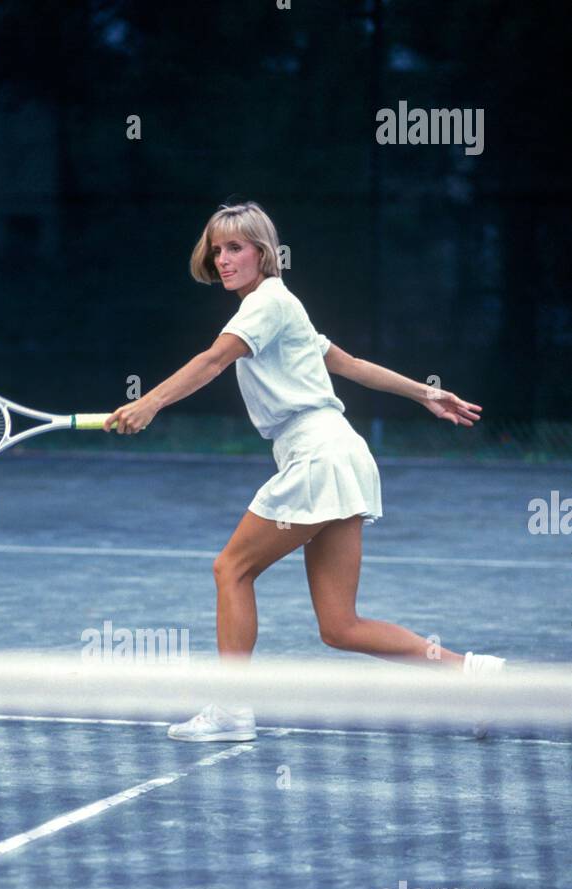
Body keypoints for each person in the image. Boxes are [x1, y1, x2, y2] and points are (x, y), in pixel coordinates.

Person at [104, 201, 504, 742]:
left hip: (318, 455)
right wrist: (427, 392)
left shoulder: (265, 303)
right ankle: (472, 675)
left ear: (263, 253)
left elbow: (213, 360)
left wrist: (148, 403)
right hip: (340, 454)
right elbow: (352, 365)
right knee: (341, 627)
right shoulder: (281, 306)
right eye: (217, 249)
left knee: (232, 570)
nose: (223, 259)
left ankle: (231, 710)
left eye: (236, 248)